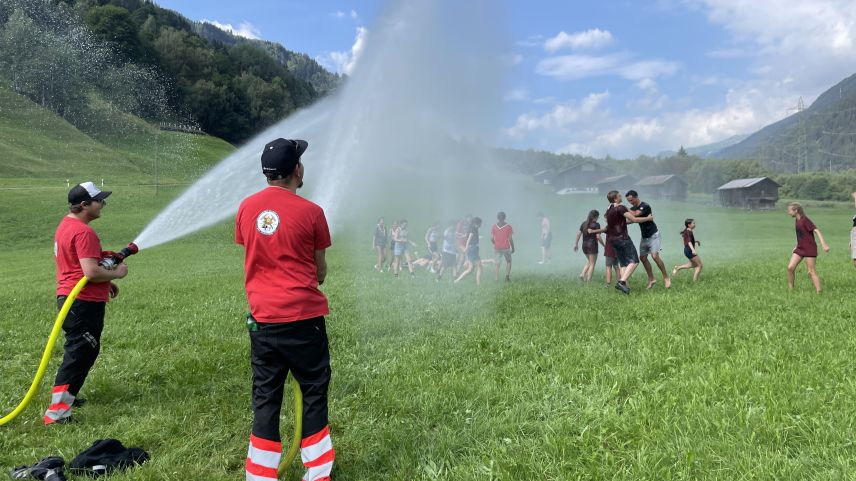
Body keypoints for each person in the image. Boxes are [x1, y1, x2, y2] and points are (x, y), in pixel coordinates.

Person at [236, 138, 334, 481]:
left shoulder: (247, 209)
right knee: (314, 392)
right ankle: (317, 473)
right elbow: (319, 270)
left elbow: (255, 253)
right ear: (297, 170)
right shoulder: (312, 213)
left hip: (263, 320)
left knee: (265, 397)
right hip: (304, 320)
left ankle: (260, 476)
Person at [44, 182, 128, 425]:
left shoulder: (66, 225)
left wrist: (105, 283)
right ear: (84, 205)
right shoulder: (84, 232)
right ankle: (57, 413)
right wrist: (117, 274)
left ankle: (67, 396)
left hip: (72, 299)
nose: (103, 204)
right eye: (99, 200)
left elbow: (77, 267)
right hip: (82, 303)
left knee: (81, 350)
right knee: (81, 352)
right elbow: (91, 271)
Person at [602, 190, 653, 294]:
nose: (621, 197)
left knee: (623, 264)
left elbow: (620, 221)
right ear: (615, 198)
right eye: (619, 196)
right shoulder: (620, 207)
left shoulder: (609, 210)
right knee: (634, 261)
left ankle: (624, 287)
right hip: (623, 239)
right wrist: (648, 218)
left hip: (612, 240)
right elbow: (634, 219)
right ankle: (621, 282)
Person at [625, 190, 671, 289]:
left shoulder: (645, 206)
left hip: (654, 235)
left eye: (631, 200)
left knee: (655, 256)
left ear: (636, 197)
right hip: (644, 236)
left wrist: (625, 208)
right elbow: (631, 220)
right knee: (643, 258)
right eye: (629, 201)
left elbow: (635, 214)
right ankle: (651, 279)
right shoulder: (633, 208)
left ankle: (666, 277)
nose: (631, 202)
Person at [786, 202, 830, 293]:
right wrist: (796, 246)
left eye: (789, 210)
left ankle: (819, 291)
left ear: (796, 210)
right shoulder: (797, 220)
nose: (788, 212)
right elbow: (802, 235)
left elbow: (817, 231)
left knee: (811, 271)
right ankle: (791, 290)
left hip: (810, 248)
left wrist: (823, 244)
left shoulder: (805, 220)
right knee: (790, 268)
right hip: (800, 248)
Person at [574, 209, 605, 282]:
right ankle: (589, 281)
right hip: (592, 246)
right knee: (592, 263)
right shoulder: (596, 224)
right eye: (598, 217)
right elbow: (598, 237)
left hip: (584, 245)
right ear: (596, 217)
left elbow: (578, 234)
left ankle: (582, 274)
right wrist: (604, 245)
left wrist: (576, 244)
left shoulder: (584, 223)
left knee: (590, 261)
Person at [455, 217, 483, 285]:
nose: (480, 225)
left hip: (473, 249)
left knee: (470, 270)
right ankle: (478, 284)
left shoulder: (472, 229)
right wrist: (466, 248)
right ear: (476, 224)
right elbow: (469, 238)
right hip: (472, 249)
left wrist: (478, 237)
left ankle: (456, 281)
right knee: (479, 267)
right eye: (480, 224)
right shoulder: (473, 229)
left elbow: (469, 237)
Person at [491, 212, 515, 282]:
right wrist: (513, 248)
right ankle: (507, 277)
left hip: (497, 248)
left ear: (497, 218)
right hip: (506, 247)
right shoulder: (508, 226)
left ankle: (496, 278)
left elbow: (491, 238)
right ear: (505, 217)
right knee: (509, 261)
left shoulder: (494, 226)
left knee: (497, 263)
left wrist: (495, 244)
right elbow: (510, 238)